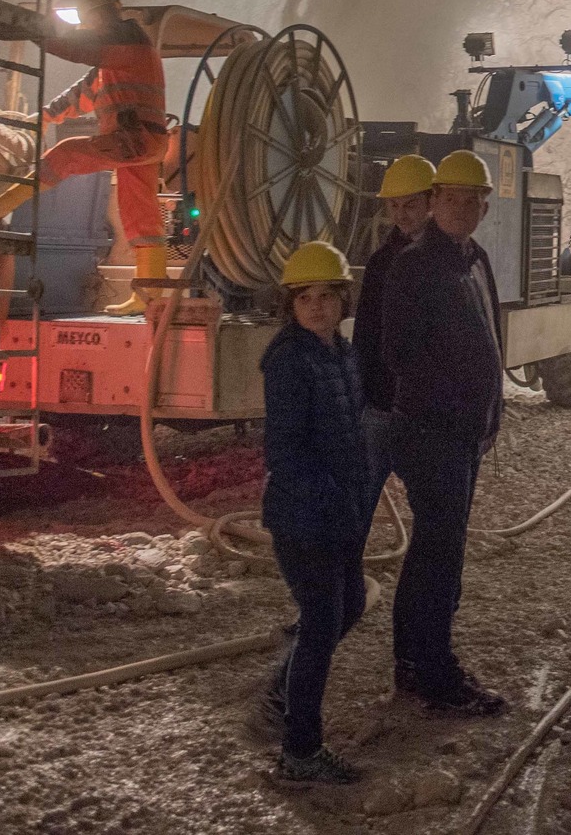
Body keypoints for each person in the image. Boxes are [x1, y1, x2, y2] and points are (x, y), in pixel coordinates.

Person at [359, 148, 509, 714]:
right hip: (430, 433)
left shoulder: (475, 260)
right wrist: (456, 406)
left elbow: (490, 340)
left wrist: (491, 411)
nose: (461, 209)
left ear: (484, 207)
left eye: (472, 201)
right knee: (438, 555)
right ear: (435, 201)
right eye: (451, 199)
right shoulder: (413, 266)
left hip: (464, 433)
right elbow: (400, 353)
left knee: (436, 551)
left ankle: (416, 665)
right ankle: (435, 674)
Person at [257, 241, 375, 785]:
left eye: (328, 296)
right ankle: (299, 751)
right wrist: (332, 500)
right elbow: (287, 454)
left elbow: (349, 433)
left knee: (347, 605)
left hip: (338, 513)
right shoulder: (289, 362)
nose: (318, 306)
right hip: (306, 519)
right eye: (306, 297)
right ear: (291, 304)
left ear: (342, 300)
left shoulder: (340, 354)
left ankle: (283, 692)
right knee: (322, 626)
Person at [0, 0, 169, 315]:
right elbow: (83, 92)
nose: (87, 26)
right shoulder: (114, 55)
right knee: (140, 215)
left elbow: (75, 48)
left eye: (86, 19)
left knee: (65, 155)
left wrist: (38, 30)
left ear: (97, 15)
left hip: (133, 139)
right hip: (141, 142)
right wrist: (44, 116)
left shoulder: (125, 38)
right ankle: (151, 293)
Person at [352, 154, 435, 509]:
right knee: (358, 503)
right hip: (384, 404)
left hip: (424, 410)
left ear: (431, 202)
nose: (401, 214)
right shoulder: (381, 262)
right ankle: (345, 565)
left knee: (431, 514)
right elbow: (366, 334)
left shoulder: (445, 261)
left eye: (410, 204)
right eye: (395, 205)